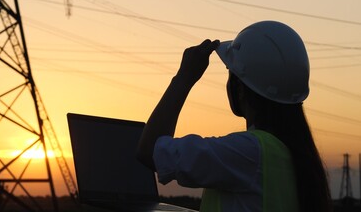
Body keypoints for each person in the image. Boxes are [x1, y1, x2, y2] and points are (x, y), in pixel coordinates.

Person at [137, 21, 332, 212]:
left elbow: (150, 151)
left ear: (240, 88)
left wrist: (184, 78)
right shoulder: (294, 155)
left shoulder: (248, 153)